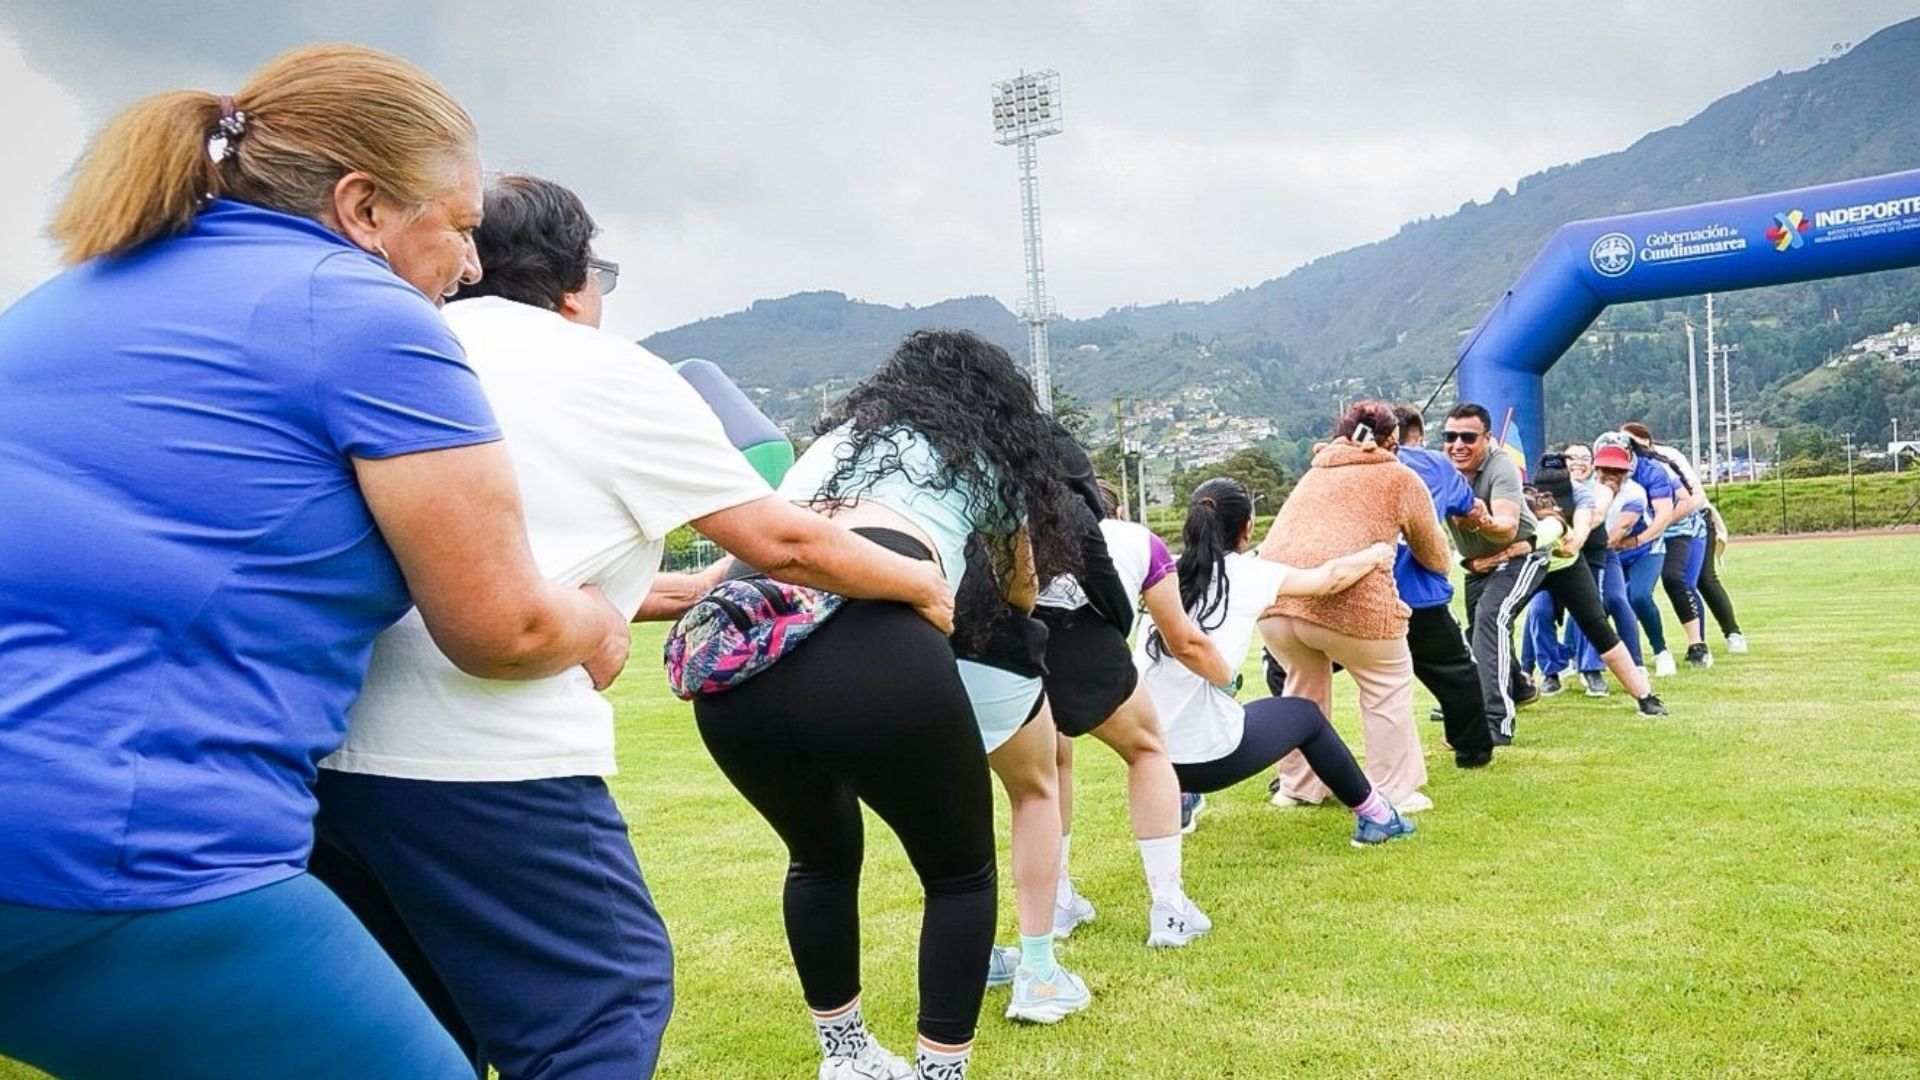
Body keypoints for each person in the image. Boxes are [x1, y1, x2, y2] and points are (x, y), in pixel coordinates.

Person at [0, 46, 639, 1078]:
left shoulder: (61, 299)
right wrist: (597, 621)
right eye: (460, 225)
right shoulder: (361, 313)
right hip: (120, 844)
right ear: (364, 207)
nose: (472, 265)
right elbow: (504, 626)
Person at [309, 176, 954, 1080]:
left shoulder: (399, 345)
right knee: (603, 1011)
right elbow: (785, 541)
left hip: (335, 764)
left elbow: (479, 563)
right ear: (577, 282)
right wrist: (921, 580)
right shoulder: (603, 369)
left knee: (425, 1029)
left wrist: (685, 591)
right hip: (491, 763)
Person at [692, 330, 1075, 1080]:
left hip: (743, 657)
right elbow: (1021, 591)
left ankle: (846, 1056)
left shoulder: (829, 446)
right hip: (876, 646)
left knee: (818, 860)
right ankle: (939, 1072)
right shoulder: (981, 457)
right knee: (958, 876)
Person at [1138, 479, 1415, 854]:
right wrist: (1377, 553)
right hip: (1207, 763)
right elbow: (1329, 579)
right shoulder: (1252, 575)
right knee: (1306, 717)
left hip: (1150, 759)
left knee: (1208, 708)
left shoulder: (1165, 574)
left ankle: (1183, 800)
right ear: (1248, 527)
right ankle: (1379, 817)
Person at [1036, 478, 1235, 947]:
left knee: (1048, 771)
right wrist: (1227, 679)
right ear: (1115, 511)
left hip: (1021, 659)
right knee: (1147, 752)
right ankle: (1169, 908)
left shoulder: (1021, 527)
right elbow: (1182, 639)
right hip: (1091, 655)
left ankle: (1057, 903)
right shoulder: (1135, 539)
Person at [1257, 401, 1450, 812]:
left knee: (1302, 689)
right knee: (1386, 682)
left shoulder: (1314, 474)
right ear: (1392, 440)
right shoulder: (1398, 476)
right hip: (1350, 603)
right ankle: (1394, 789)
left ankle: (1297, 786)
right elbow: (1434, 552)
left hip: (1277, 602)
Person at [1387, 407, 1495, 767]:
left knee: (1292, 670)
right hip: (1418, 592)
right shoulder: (1435, 464)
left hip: (1357, 594)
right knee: (1456, 673)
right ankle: (1473, 751)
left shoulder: (1352, 467)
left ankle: (1303, 759)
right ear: (1417, 436)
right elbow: (1468, 507)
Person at [1441, 403, 1545, 745]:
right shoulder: (1441, 468)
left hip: (1521, 554)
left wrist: (1481, 520)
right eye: (1450, 436)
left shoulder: (1501, 467)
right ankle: (1519, 686)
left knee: (1491, 617)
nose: (1457, 445)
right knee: (1478, 632)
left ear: (1487, 438)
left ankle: (1495, 722)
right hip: (1478, 564)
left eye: (1468, 437)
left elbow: (1507, 526)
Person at [1622, 422, 1713, 669]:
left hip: (1676, 530)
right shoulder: (1613, 470)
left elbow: (1689, 500)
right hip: (1642, 534)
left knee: (1674, 578)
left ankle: (1697, 644)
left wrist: (1659, 523)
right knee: (1625, 591)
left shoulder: (1658, 466)